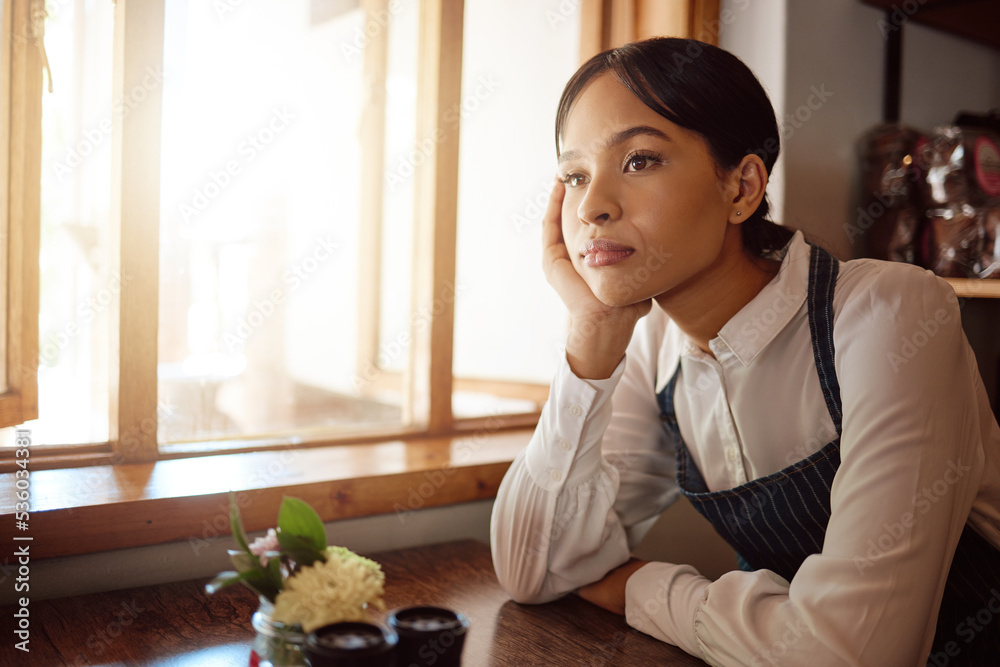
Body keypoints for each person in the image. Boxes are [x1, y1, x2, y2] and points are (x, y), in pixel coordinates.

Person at [490, 37, 1000, 666]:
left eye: (640, 159)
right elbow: (531, 569)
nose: (592, 206)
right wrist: (590, 333)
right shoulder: (652, 345)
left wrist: (639, 586)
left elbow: (852, 655)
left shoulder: (888, 313)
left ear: (742, 187)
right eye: (574, 175)